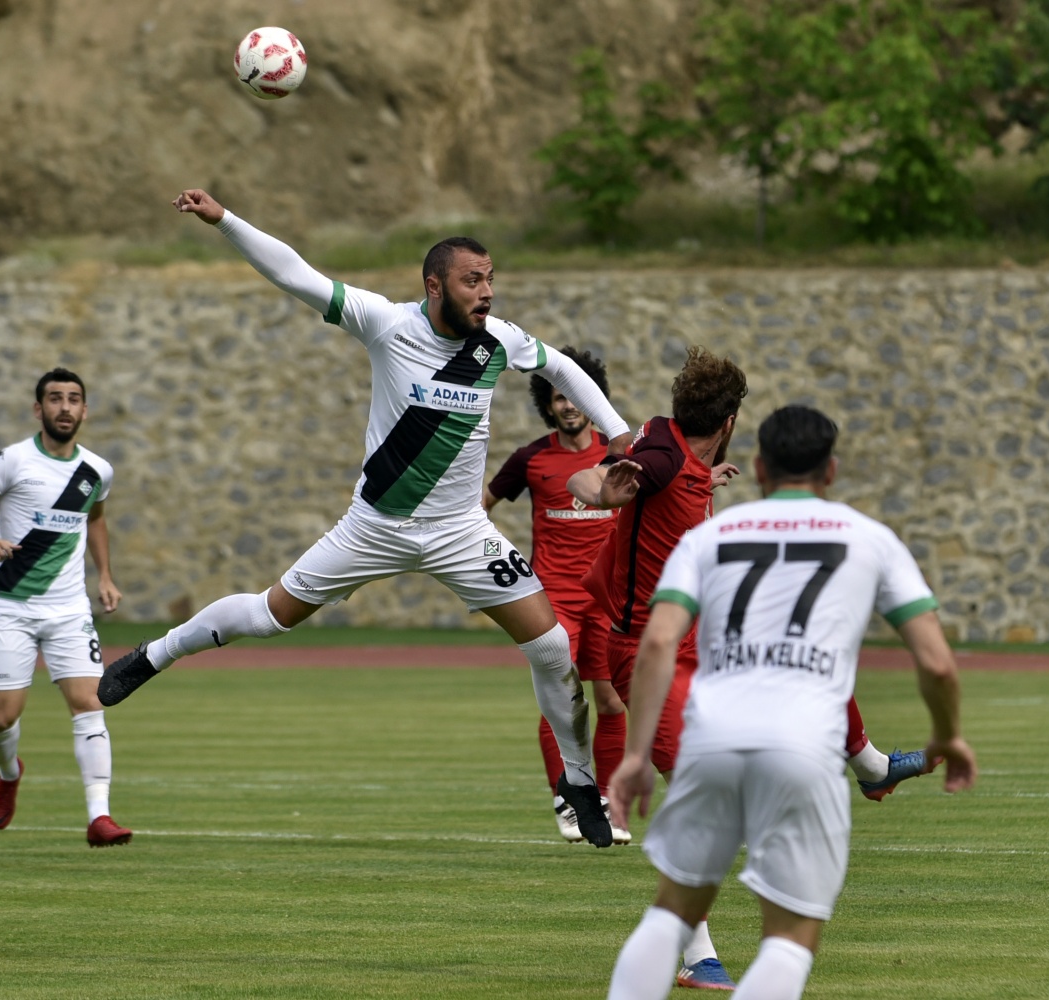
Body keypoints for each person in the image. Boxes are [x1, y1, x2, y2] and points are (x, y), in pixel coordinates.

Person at [97, 189, 633, 847]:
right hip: (375, 526)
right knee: (268, 616)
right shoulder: (385, 322)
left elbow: (564, 368)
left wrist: (618, 432)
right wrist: (225, 220)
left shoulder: (499, 342)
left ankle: (578, 784)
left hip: (461, 532)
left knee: (550, 648)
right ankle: (155, 654)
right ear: (434, 286)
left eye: (491, 279)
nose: (487, 292)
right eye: (472, 281)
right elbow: (296, 274)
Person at [604, 405, 978, 1000]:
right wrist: (948, 734)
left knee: (670, 911)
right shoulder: (869, 538)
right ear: (831, 471)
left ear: (757, 468)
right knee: (788, 939)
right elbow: (936, 662)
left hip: (712, 738)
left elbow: (655, 642)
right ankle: (872, 767)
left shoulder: (709, 537)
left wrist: (635, 755)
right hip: (803, 744)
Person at [568, 345, 748, 988]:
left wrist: (704, 480)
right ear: (728, 421)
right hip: (644, 654)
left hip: (687, 645)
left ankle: (865, 761)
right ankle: (694, 952)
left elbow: (656, 474)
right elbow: (592, 478)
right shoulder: (662, 459)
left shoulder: (671, 446)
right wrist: (600, 493)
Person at [0, 367, 132, 848]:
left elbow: (95, 520)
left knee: (90, 704)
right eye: (55, 398)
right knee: (3, 718)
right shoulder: (12, 460)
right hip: (10, 606)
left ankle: (99, 817)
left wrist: (105, 576)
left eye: (73, 399)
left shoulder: (97, 471)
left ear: (84, 410)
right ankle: (9, 772)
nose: (64, 407)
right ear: (39, 409)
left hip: (69, 609)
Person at [483, 347, 629, 845]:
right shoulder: (530, 458)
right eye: (558, 397)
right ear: (547, 405)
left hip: (606, 601)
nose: (568, 405)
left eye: (575, 396)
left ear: (594, 399)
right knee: (561, 697)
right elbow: (479, 506)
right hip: (554, 601)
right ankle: (567, 802)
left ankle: (608, 805)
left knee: (611, 701)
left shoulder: (619, 457)